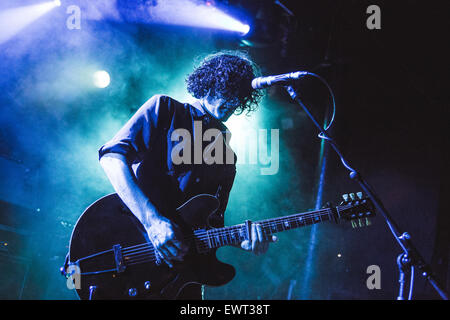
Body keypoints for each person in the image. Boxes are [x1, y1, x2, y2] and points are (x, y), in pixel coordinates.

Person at [98, 51, 276, 299]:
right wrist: (153, 222)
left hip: (178, 280)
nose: (234, 101)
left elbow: (210, 223)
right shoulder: (166, 109)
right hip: (130, 247)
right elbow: (112, 157)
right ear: (210, 82)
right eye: (229, 89)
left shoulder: (228, 154)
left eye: (240, 96)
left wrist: (239, 240)